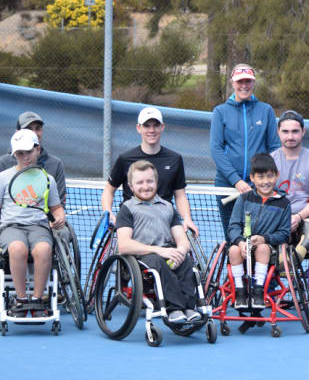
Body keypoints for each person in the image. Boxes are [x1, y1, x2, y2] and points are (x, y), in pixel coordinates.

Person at [115, 160, 202, 324]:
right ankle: (174, 308)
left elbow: (182, 240)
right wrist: (158, 250)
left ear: (157, 182)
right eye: (139, 182)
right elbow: (124, 245)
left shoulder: (168, 207)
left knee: (187, 261)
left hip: (167, 252)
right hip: (141, 256)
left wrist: (180, 253)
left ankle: (189, 308)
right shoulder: (127, 209)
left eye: (149, 181)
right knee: (158, 263)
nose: (145, 186)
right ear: (131, 186)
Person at [101, 107, 198, 236]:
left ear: (162, 127)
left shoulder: (175, 159)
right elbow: (109, 190)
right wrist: (108, 213)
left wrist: (187, 218)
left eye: (156, 125)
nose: (151, 130)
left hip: (164, 221)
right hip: (132, 222)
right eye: (147, 126)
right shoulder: (125, 159)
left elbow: (180, 194)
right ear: (139, 128)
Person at [0, 129, 66, 317]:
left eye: (29, 152)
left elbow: (56, 208)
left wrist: (60, 217)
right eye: (20, 153)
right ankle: (21, 300)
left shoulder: (48, 179)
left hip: (39, 227)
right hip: (10, 227)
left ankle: (37, 300)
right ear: (14, 155)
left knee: (44, 249)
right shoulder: (3, 178)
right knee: (18, 248)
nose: (25, 157)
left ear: (37, 150)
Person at [210, 64, 280, 235]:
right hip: (227, 186)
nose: (244, 85)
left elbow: (275, 148)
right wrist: (236, 181)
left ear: (253, 83)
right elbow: (216, 148)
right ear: (232, 83)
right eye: (240, 81)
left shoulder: (266, 111)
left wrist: (262, 179)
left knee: (256, 236)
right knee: (233, 237)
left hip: (258, 187)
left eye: (248, 81)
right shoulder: (220, 112)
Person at [226, 154, 291, 310]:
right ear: (252, 178)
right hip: (243, 246)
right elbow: (233, 226)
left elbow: (284, 233)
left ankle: (258, 291)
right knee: (233, 250)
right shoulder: (244, 199)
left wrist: (264, 239)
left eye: (270, 176)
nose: (265, 181)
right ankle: (240, 291)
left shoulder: (284, 203)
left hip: (268, 249)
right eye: (260, 177)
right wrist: (241, 242)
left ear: (277, 176)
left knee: (262, 248)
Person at [271, 110, 309, 262]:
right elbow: (264, 197)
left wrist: (298, 217)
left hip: (307, 216)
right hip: (277, 216)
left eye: (295, 131)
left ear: (303, 132)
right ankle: (279, 260)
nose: (290, 136)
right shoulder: (269, 161)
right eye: (286, 131)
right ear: (278, 132)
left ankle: (294, 259)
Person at [0, 111, 67, 205]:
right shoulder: (3, 163)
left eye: (38, 128)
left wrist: (54, 217)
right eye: (29, 129)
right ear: (17, 133)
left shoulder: (55, 164)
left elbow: (58, 203)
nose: (34, 133)